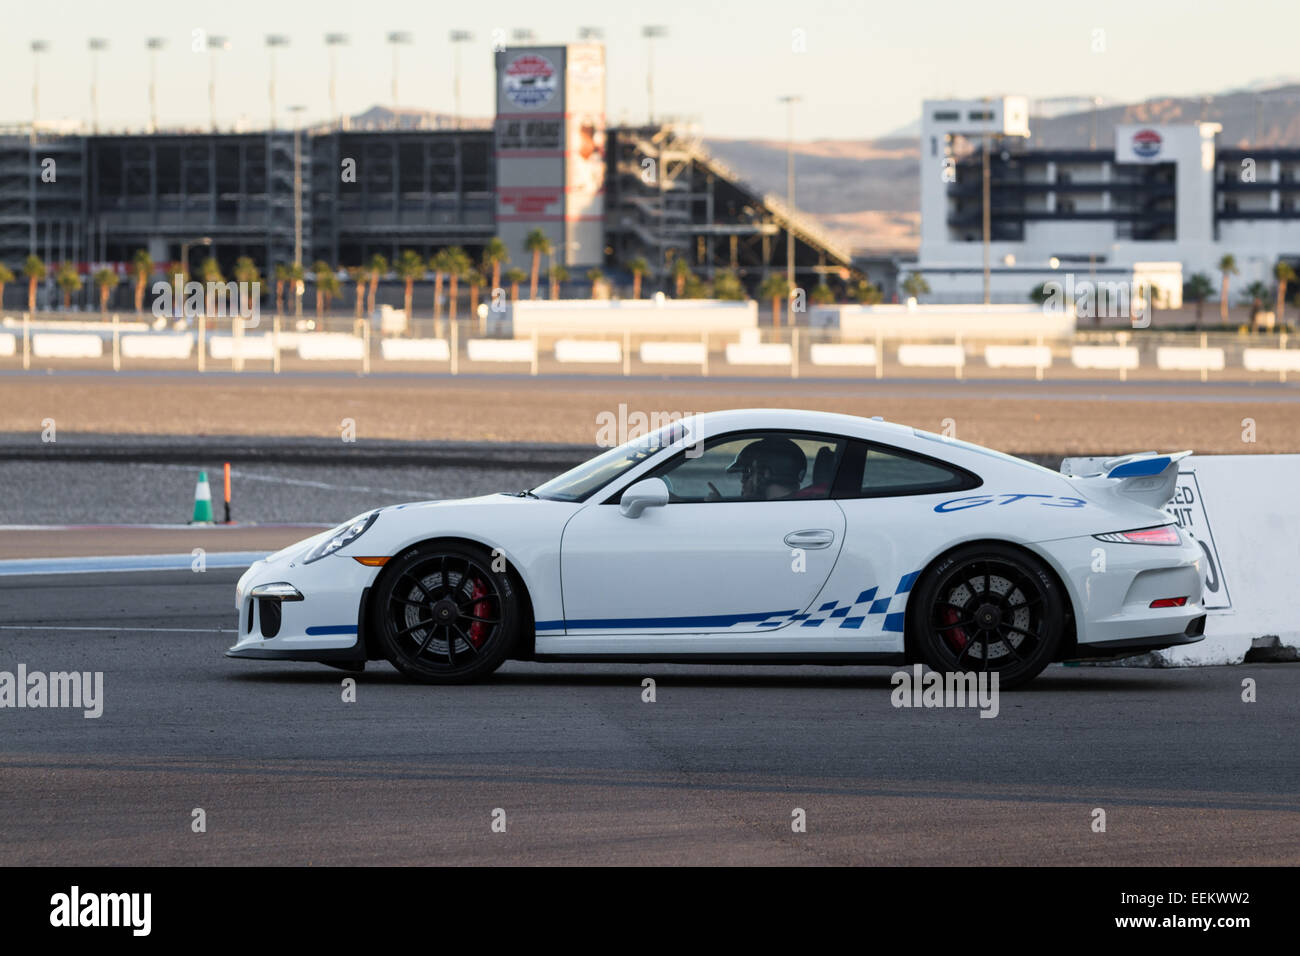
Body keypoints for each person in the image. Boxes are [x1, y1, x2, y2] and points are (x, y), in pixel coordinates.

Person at [719, 437, 807, 500]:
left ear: (766, 473)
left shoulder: (771, 512)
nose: (742, 481)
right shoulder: (802, 507)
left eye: (747, 472)